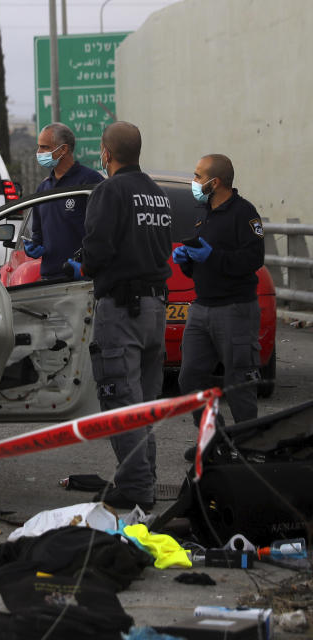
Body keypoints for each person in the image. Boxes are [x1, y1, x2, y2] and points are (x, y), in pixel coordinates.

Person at [68, 121, 173, 511]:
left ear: (106, 154)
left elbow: (96, 252)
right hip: (154, 309)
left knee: (119, 401)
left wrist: (83, 264)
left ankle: (137, 489)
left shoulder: (108, 191)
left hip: (122, 311)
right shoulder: (157, 194)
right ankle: (144, 478)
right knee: (142, 402)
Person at [174, 154, 264, 434]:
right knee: (189, 379)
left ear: (216, 181)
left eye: (198, 176)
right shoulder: (204, 213)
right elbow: (201, 266)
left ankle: (250, 446)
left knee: (240, 382)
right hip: (202, 308)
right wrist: (187, 259)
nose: (194, 181)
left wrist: (212, 257)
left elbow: (253, 260)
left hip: (235, 309)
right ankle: (214, 440)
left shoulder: (244, 213)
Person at [24, 123, 104, 279]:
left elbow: (103, 232)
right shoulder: (43, 188)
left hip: (81, 279)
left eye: (45, 147)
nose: (39, 152)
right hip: (50, 278)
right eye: (38, 147)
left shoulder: (89, 181)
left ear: (63, 149)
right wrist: (33, 246)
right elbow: (38, 235)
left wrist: (87, 267)